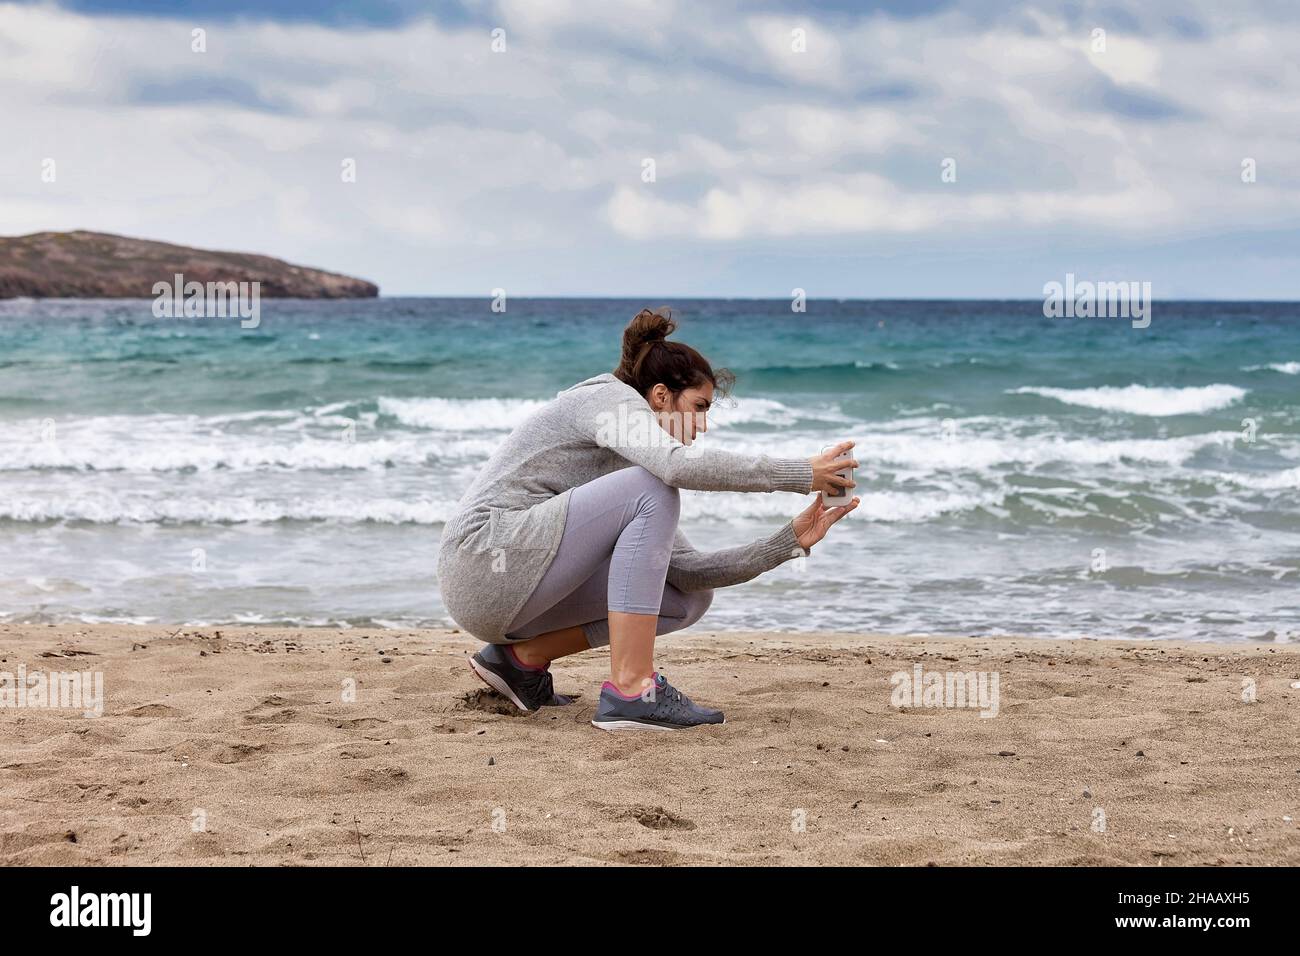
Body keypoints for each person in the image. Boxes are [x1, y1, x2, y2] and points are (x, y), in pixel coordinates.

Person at [436, 308, 859, 731]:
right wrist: (800, 474)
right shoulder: (607, 402)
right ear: (660, 395)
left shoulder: (634, 467)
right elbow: (675, 469)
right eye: (699, 407)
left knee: (686, 600)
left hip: (513, 594)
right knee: (655, 487)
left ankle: (519, 662)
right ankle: (632, 689)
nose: (704, 425)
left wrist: (788, 542)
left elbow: (688, 573)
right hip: (481, 562)